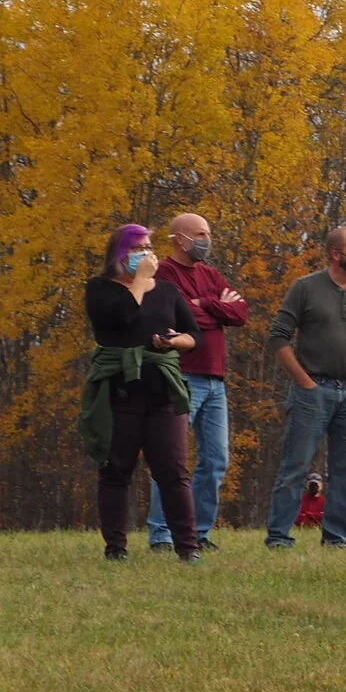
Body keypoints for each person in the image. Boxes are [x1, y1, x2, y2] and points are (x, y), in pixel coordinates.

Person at [79, 224, 201, 563]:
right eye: (137, 248)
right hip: (119, 393)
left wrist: (173, 341)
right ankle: (116, 549)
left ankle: (188, 548)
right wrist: (140, 281)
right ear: (119, 254)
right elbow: (121, 318)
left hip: (162, 393)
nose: (145, 254)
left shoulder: (167, 291)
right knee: (116, 471)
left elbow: (194, 335)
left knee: (173, 472)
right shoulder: (100, 289)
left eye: (148, 247)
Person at [266, 225, 346, 550]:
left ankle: (336, 538)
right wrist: (304, 382)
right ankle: (279, 537)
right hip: (312, 390)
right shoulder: (305, 288)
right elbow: (278, 336)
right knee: (295, 466)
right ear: (336, 254)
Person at [145, 212, 247, 552]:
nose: (206, 240)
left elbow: (240, 313)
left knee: (216, 461)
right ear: (179, 238)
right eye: (200, 234)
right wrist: (215, 310)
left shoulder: (211, 275)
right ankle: (162, 534)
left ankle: (197, 533)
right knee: (170, 459)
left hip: (216, 379)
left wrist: (203, 304)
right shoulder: (164, 274)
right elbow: (177, 317)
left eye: (207, 234)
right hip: (181, 376)